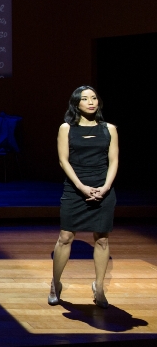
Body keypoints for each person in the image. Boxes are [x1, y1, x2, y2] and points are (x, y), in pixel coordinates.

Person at [48, 86, 118, 308]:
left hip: (103, 189)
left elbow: (114, 161)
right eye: (85, 98)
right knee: (65, 236)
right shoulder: (66, 128)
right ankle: (55, 283)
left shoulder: (109, 129)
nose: (91, 102)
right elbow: (63, 160)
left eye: (94, 98)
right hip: (75, 189)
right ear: (76, 103)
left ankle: (99, 287)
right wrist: (81, 187)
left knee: (102, 239)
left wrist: (105, 188)